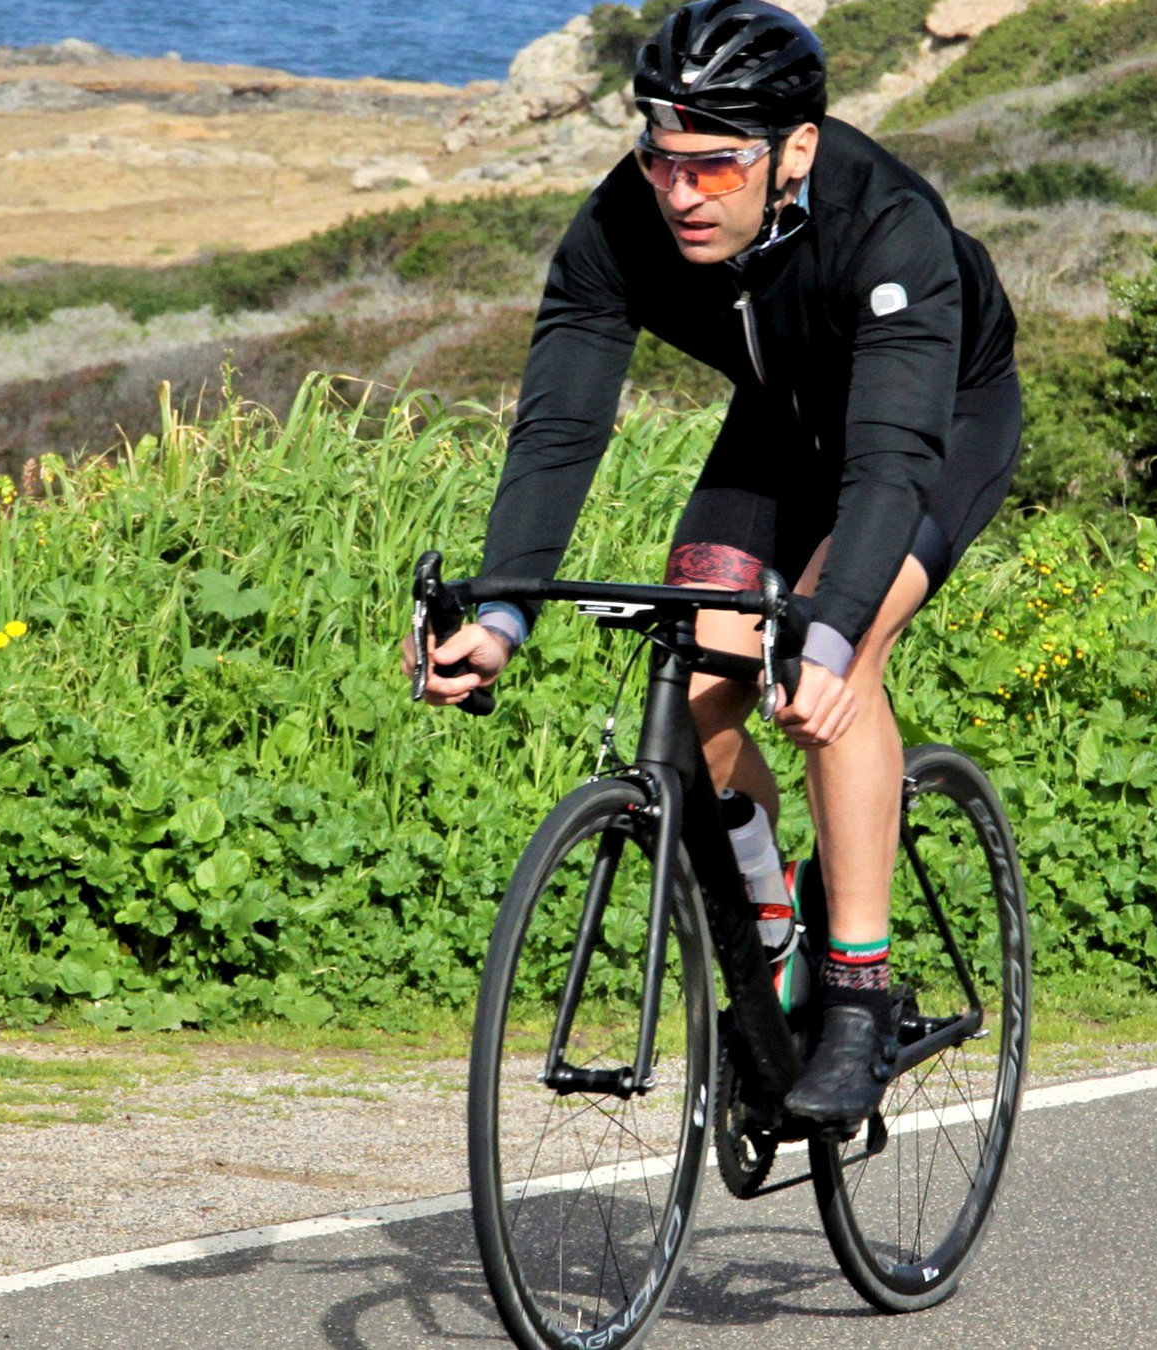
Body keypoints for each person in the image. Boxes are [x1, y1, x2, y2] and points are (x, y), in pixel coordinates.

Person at [406, 0, 1021, 1125]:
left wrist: (831, 631)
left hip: (930, 430)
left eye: (716, 167)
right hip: (783, 431)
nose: (682, 194)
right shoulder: (624, 222)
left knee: (835, 670)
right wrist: (500, 613)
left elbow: (886, 465)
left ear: (795, 148)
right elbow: (560, 426)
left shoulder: (886, 228)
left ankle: (857, 993)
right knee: (701, 686)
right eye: (661, 162)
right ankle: (766, 912)